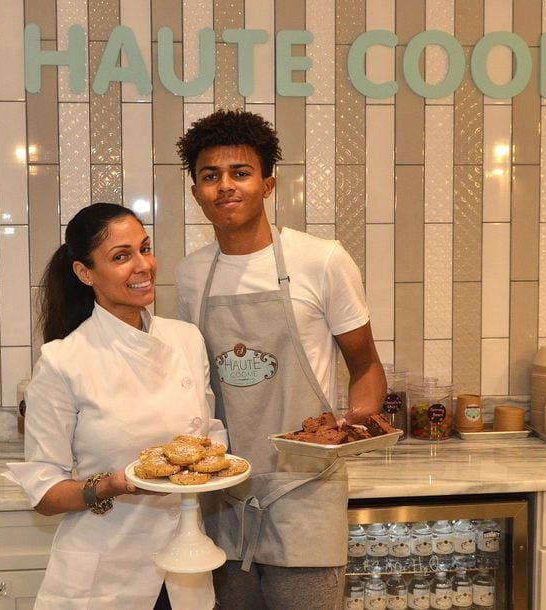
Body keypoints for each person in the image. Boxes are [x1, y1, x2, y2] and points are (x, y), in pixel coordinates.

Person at [175, 109, 387, 609]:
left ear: (268, 184)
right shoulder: (191, 276)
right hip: (223, 494)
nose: (225, 186)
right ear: (196, 191)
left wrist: (354, 422)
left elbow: (366, 366)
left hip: (306, 493)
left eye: (240, 173)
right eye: (210, 176)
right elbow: (191, 383)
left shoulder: (322, 260)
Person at [5, 203, 223, 610]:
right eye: (121, 257)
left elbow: (207, 444)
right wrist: (112, 485)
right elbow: (45, 495)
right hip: (107, 580)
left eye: (145, 248)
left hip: (186, 574)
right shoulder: (64, 361)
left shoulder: (186, 340)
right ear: (85, 274)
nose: (143, 265)